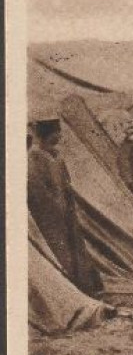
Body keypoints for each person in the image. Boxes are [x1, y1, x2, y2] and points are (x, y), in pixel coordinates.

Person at [27, 116, 102, 297]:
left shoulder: (58, 157)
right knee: (57, 248)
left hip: (65, 211)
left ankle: (82, 284)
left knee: (74, 247)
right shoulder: (34, 158)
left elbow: (67, 184)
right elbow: (37, 191)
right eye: (55, 134)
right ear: (45, 135)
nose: (59, 137)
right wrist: (56, 209)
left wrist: (68, 206)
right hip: (47, 215)